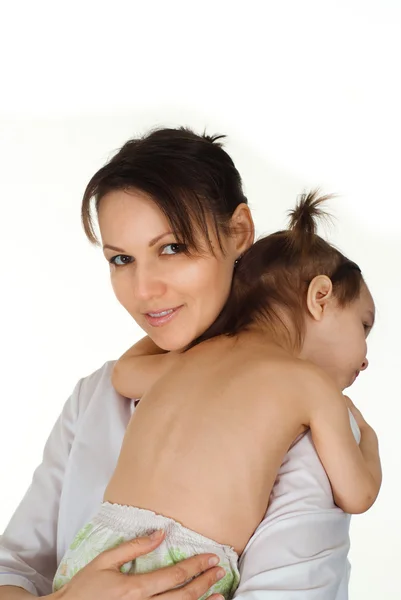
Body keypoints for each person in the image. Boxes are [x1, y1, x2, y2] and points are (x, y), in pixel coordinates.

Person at [0, 128, 368, 600]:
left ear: (239, 232)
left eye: (171, 248)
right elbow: (12, 567)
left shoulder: (305, 432)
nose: (144, 289)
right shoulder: (97, 397)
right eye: (121, 259)